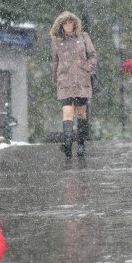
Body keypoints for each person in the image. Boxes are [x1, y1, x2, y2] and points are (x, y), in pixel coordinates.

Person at [51, 11, 98, 157]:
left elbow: (93, 55)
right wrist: (56, 78)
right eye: (65, 23)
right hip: (65, 81)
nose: (68, 25)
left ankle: (81, 144)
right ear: (61, 25)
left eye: (70, 22)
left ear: (74, 23)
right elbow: (54, 61)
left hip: (81, 81)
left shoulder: (83, 37)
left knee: (81, 113)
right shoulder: (57, 41)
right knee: (67, 113)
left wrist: (86, 68)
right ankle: (67, 142)